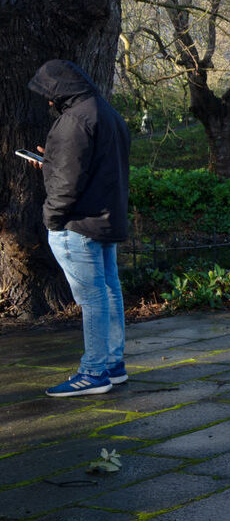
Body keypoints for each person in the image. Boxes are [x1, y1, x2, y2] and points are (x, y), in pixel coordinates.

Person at [25, 60, 132, 396]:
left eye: (49, 94)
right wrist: (51, 162)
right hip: (104, 219)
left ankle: (94, 372)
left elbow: (67, 183)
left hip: (79, 224)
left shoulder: (74, 120)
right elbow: (91, 166)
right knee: (109, 293)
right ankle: (112, 366)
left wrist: (52, 218)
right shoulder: (105, 112)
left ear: (60, 90)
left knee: (93, 299)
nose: (47, 102)